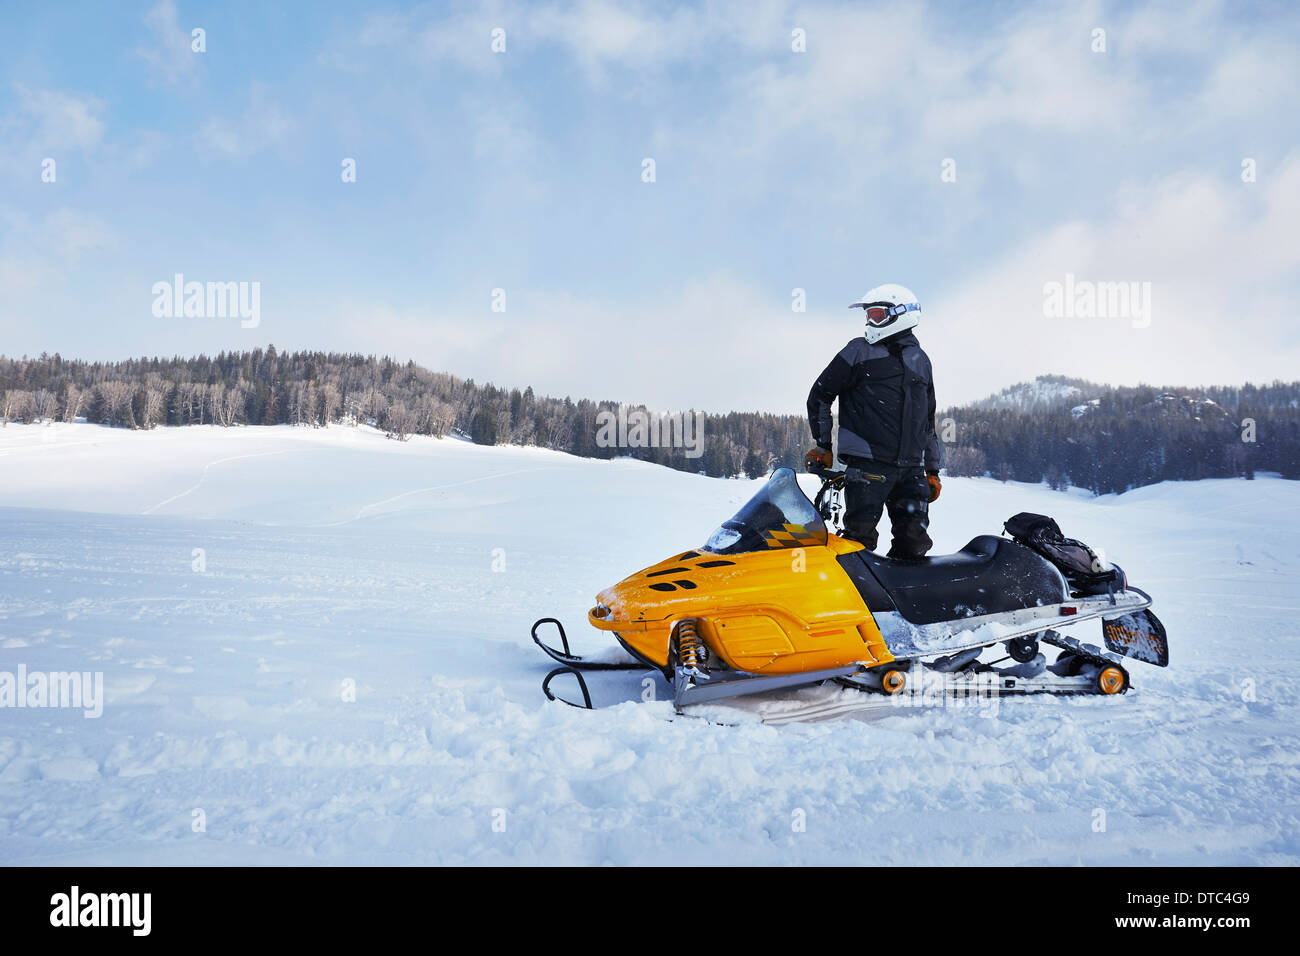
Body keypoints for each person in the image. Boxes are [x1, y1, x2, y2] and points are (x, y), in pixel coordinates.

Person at [804, 283, 943, 558]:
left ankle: (902, 598)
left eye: (877, 315)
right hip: (868, 469)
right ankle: (852, 600)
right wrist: (823, 446)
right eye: (868, 315)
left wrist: (932, 470)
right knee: (858, 544)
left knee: (914, 545)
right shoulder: (857, 351)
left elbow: (928, 422)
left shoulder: (921, 360)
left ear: (901, 314)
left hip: (912, 470)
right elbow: (820, 395)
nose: (870, 322)